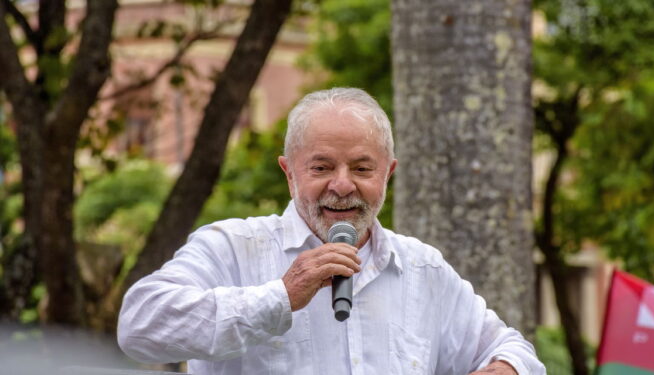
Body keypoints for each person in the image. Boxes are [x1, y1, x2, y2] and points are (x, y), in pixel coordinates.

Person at [117, 87, 546, 375]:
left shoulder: (422, 268)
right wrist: (282, 295)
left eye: (362, 168)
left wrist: (503, 368)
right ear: (289, 173)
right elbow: (139, 326)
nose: (342, 185)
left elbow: (515, 350)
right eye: (321, 167)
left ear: (388, 174)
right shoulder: (233, 247)